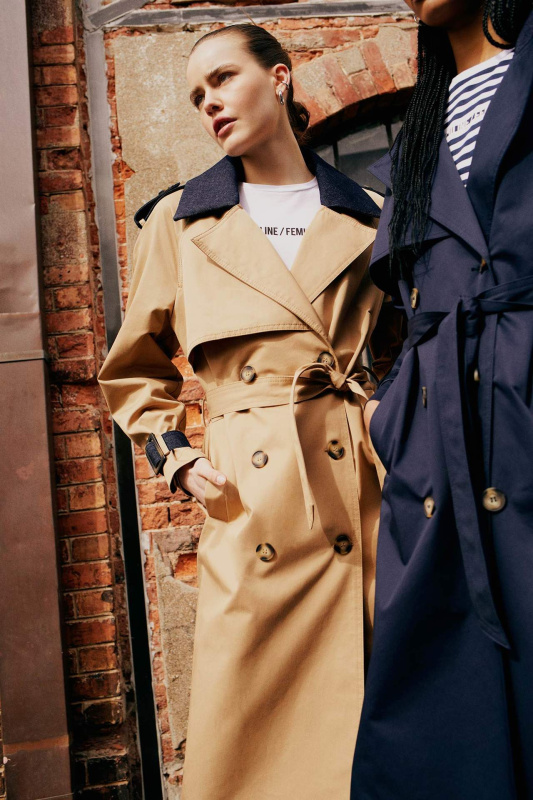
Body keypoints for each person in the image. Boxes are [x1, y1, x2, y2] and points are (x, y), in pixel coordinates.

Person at [98, 23, 402, 800]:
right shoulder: (179, 222)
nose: (209, 102)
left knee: (380, 723)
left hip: (358, 490)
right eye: (196, 95)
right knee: (250, 743)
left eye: (224, 79)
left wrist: (386, 421)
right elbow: (131, 370)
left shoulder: (370, 215)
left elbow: (412, 345)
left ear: (279, 77)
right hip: (252, 501)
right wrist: (178, 459)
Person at [352, 1, 533, 798]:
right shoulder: (417, 133)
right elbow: (412, 302)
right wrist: (388, 415)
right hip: (435, 455)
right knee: (440, 724)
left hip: (518, 407)